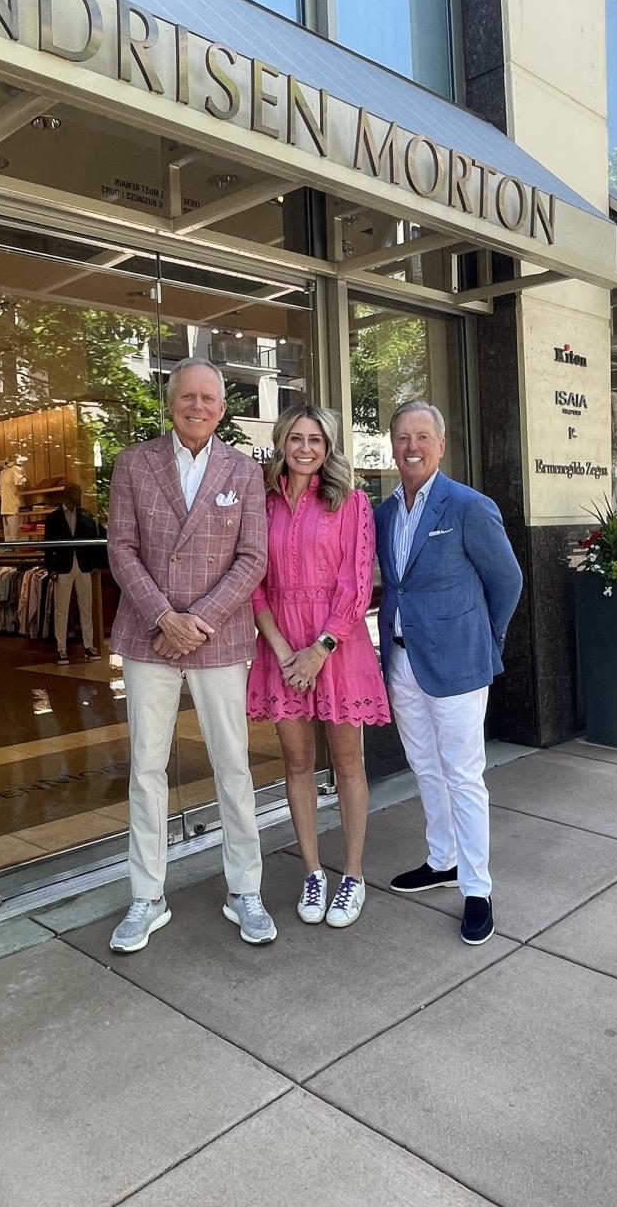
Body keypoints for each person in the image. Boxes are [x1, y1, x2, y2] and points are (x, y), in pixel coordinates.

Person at [107, 359, 274, 953]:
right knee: (147, 768)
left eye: (208, 398)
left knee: (233, 765)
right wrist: (163, 617)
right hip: (148, 635)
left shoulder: (244, 470)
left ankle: (244, 889)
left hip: (218, 637)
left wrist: (196, 621)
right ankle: (146, 897)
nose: (197, 406)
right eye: (187, 396)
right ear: (170, 402)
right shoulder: (133, 463)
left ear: (222, 409)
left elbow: (253, 558)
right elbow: (121, 548)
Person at [375, 401, 522, 946]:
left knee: (463, 772)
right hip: (400, 660)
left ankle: (477, 887)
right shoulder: (384, 512)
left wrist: (488, 640)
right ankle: (441, 859)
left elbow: (507, 582)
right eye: (402, 438)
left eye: (422, 437)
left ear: (440, 445)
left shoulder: (467, 506)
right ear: (391, 446)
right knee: (424, 765)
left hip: (459, 662)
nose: (411, 447)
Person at [247, 406, 389, 929]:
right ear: (282, 441)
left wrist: (319, 649)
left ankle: (352, 873)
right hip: (279, 647)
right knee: (297, 761)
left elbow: (357, 584)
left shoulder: (351, 501)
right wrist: (286, 653)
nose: (305, 448)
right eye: (296, 438)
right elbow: (254, 586)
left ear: (328, 448)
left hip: (338, 645)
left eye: (316, 440)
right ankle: (313, 869)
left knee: (348, 762)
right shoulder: (260, 503)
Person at [43, 483, 102, 664]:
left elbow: (93, 540)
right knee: (61, 608)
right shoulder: (53, 518)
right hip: (63, 566)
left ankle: (89, 645)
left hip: (83, 565)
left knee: (86, 606)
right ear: (67, 495)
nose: (79, 496)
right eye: (76, 493)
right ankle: (61, 648)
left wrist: (94, 564)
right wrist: (51, 568)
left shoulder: (85, 516)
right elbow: (47, 546)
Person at [0, 456, 26, 541]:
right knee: (7, 537)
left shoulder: (16, 469)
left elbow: (20, 486)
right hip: (4, 507)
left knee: (16, 537)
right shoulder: (2, 472)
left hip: (14, 506)